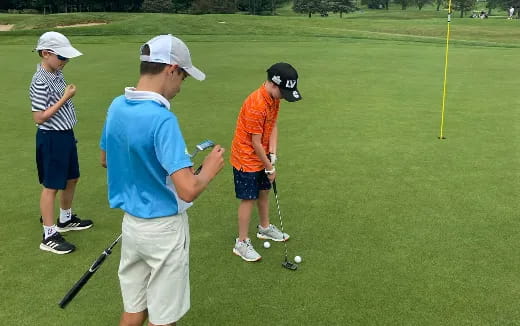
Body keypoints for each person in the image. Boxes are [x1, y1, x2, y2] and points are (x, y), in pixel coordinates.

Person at [99, 34, 225, 326]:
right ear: (171, 69)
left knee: (134, 309)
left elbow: (106, 159)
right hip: (163, 231)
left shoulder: (117, 105)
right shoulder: (163, 119)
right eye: (183, 77)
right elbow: (188, 189)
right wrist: (209, 168)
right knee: (163, 318)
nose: (181, 86)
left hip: (131, 226)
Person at [230, 62, 302, 262]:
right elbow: (254, 142)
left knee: (264, 191)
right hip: (246, 157)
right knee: (249, 198)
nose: (284, 97)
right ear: (273, 84)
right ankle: (241, 242)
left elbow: (273, 126)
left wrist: (273, 154)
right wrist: (269, 168)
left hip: (262, 154)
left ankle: (264, 228)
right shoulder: (257, 104)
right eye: (284, 92)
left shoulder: (274, 99)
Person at [29, 31, 93, 255]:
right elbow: (39, 116)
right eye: (62, 57)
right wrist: (65, 98)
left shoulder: (56, 74)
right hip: (51, 137)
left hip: (65, 134)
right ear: (46, 54)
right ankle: (48, 234)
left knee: (72, 178)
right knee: (51, 186)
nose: (65, 62)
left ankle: (65, 219)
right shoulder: (39, 80)